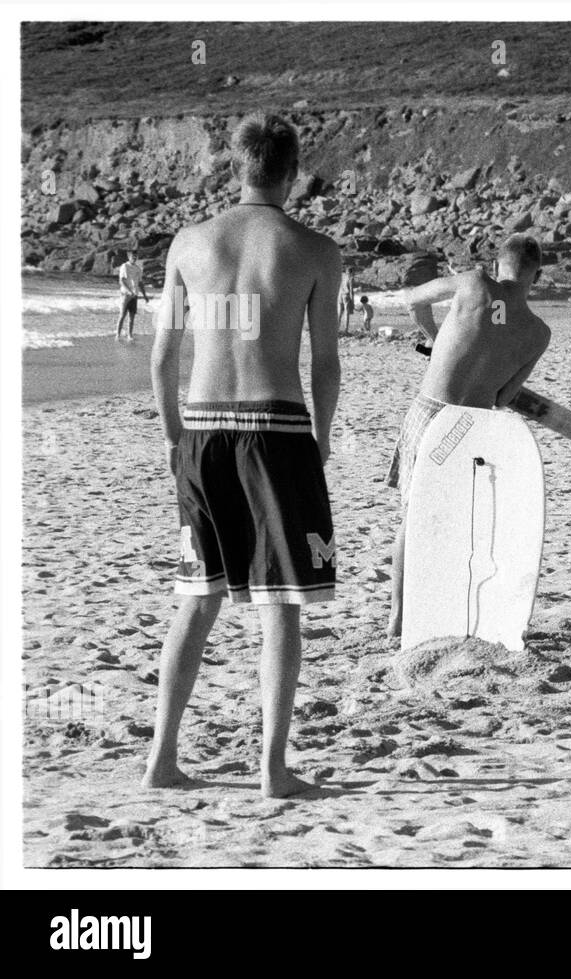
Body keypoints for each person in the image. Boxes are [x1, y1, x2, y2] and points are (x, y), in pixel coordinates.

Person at [145, 113, 342, 798]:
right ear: (291, 172)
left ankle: (161, 759)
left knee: (195, 600)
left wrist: (175, 438)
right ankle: (272, 769)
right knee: (280, 604)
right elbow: (326, 365)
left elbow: (163, 357)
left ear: (237, 166)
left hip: (202, 429)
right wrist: (320, 440)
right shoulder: (315, 249)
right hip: (277, 430)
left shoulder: (189, 243)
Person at [386, 234, 551, 637]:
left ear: (497, 265)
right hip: (472, 425)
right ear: (538, 276)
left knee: (414, 515)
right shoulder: (537, 332)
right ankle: (448, 611)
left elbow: (412, 299)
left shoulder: (473, 282)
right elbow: (503, 397)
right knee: (456, 520)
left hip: (431, 411)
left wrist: (435, 336)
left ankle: (398, 616)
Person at [115, 250, 150, 341]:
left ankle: (129, 335)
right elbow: (121, 281)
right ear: (129, 257)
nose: (134, 258)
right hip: (125, 295)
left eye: (136, 256)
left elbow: (140, 283)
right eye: (133, 256)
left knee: (132, 316)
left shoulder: (138, 269)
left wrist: (145, 295)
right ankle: (117, 335)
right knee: (122, 315)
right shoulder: (124, 266)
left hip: (134, 295)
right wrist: (129, 291)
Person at [337, 267, 355, 334]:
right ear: (351, 272)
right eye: (353, 272)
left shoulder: (342, 275)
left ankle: (337, 329)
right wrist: (352, 301)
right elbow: (351, 291)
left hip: (339, 294)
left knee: (339, 313)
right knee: (346, 313)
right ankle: (346, 330)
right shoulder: (350, 278)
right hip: (346, 295)